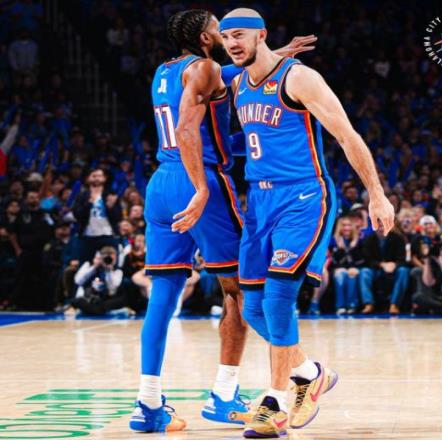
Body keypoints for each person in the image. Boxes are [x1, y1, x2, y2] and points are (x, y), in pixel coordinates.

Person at [129, 9, 315, 434]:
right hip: (200, 180)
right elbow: (189, 129)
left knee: (164, 294)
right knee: (241, 289)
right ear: (204, 36)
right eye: (218, 28)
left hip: (161, 183)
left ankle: (149, 404)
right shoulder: (206, 66)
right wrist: (200, 189)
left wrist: (278, 53)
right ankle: (235, 392)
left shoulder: (164, 71)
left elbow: (231, 76)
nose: (225, 34)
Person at [221, 9, 394, 438]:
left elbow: (347, 135)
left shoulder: (300, 79)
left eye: (239, 35)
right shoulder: (238, 82)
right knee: (252, 307)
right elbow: (213, 77)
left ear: (260, 34)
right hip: (259, 201)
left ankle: (275, 404)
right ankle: (310, 372)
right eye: (225, 38)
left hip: (302, 197)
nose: (231, 43)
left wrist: (376, 193)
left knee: (279, 298)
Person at [72, 168, 122, 263]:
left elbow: (118, 217)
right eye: (94, 176)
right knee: (86, 265)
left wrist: (110, 207)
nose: (97, 178)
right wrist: (88, 204)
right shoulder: (82, 196)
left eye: (99, 176)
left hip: (108, 234)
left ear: (104, 178)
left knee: (109, 265)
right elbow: (77, 215)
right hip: (87, 236)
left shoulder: (110, 194)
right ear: (88, 178)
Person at [359, 228, 409, 314]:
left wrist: (395, 265)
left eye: (383, 225)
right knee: (364, 272)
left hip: (393, 269)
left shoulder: (398, 238)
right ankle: (368, 304)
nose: (381, 228)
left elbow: (402, 259)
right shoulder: (368, 239)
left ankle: (394, 304)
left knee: (403, 271)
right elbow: (367, 260)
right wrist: (382, 265)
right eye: (379, 225)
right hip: (376, 269)